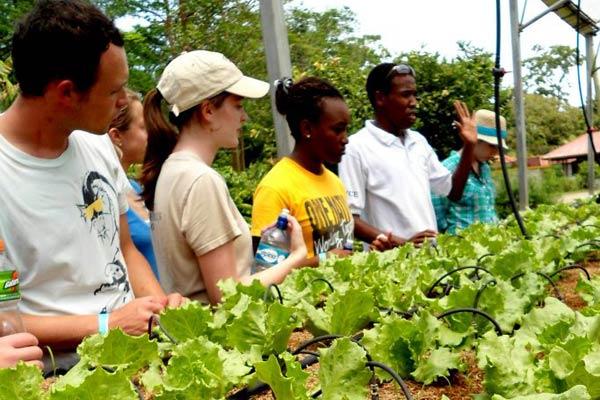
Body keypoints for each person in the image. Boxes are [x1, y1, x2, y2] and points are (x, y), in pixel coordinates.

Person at [0, 0, 183, 371]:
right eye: (114, 91)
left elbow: (125, 250)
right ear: (66, 93)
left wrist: (159, 308)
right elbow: (6, 318)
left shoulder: (97, 144)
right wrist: (105, 326)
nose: (121, 102)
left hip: (136, 357)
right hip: (62, 374)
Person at [141, 50, 308, 305]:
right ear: (208, 110)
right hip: (222, 340)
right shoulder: (201, 180)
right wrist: (297, 256)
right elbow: (227, 298)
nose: (244, 117)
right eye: (238, 105)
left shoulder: (171, 170)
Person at [339, 63, 478, 250]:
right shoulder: (356, 147)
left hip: (430, 262)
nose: (414, 102)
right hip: (390, 269)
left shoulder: (418, 141)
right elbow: (350, 220)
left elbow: (453, 191)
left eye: (414, 94)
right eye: (406, 95)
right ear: (380, 98)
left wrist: (469, 146)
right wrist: (404, 245)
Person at [251, 77, 354, 265]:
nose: (345, 139)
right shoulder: (274, 188)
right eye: (338, 129)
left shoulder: (335, 182)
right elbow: (265, 271)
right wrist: (325, 259)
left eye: (346, 129)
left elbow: (345, 250)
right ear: (307, 128)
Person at [108, 89, 159, 278]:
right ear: (116, 136)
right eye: (143, 127)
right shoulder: (104, 195)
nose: (151, 135)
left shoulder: (134, 188)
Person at [432, 109, 507, 234]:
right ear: (475, 140)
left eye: (499, 147)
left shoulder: (485, 168)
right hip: (461, 247)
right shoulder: (447, 168)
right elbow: (438, 217)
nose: (496, 152)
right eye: (492, 146)